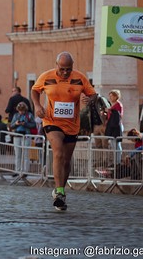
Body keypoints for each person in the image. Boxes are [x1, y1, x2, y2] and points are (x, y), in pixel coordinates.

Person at [31, 51, 97, 211]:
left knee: (67, 161)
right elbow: (35, 90)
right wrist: (38, 106)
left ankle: (61, 190)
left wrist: (90, 100)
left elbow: (93, 94)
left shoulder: (79, 77)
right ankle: (59, 192)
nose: (65, 72)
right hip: (51, 121)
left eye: (68, 69)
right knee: (58, 153)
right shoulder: (46, 76)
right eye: (62, 69)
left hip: (72, 124)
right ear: (56, 65)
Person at [9, 102, 35, 175]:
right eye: (20, 110)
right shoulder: (16, 115)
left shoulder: (29, 115)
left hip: (26, 135)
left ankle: (25, 171)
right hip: (17, 135)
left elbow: (34, 125)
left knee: (26, 154)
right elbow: (11, 125)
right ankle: (17, 170)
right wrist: (16, 124)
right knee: (18, 154)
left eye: (22, 110)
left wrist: (25, 124)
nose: (21, 112)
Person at [104, 89, 124, 165]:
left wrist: (109, 110)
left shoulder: (118, 105)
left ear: (116, 96)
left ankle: (118, 162)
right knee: (113, 145)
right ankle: (116, 161)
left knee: (117, 145)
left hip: (116, 127)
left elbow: (118, 116)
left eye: (111, 96)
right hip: (112, 126)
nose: (110, 98)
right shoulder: (113, 105)